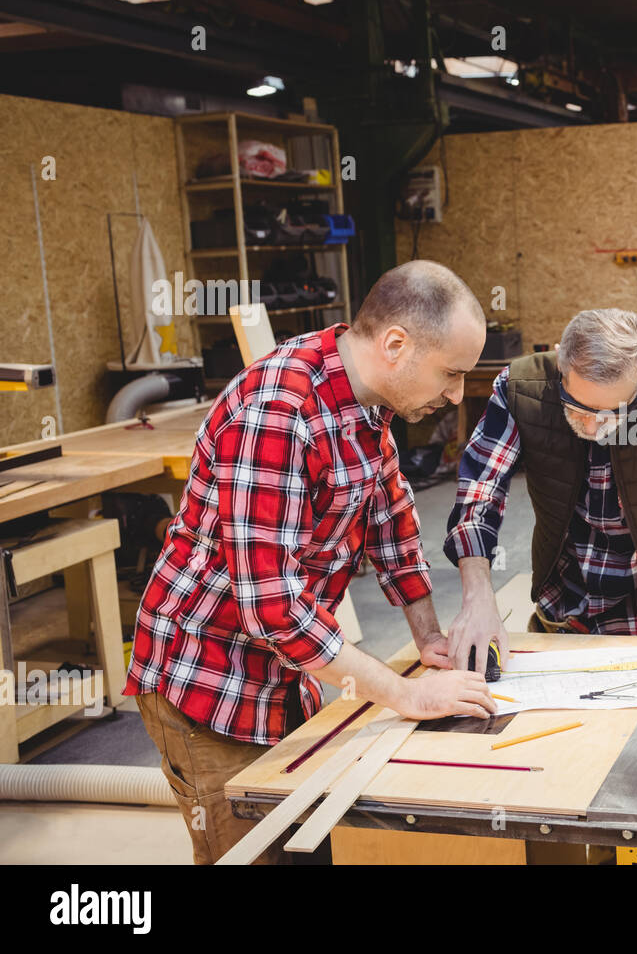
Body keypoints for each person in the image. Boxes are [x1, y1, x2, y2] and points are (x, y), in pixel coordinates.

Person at [125, 260, 497, 864]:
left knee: (309, 843)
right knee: (251, 854)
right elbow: (274, 609)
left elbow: (390, 517)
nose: (456, 394)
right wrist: (408, 697)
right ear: (396, 345)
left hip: (287, 674)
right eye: (451, 374)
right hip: (207, 679)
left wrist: (428, 638)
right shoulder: (276, 411)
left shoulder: (367, 396)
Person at [444, 307, 637, 680]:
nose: (595, 424)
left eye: (615, 410)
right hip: (565, 605)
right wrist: (478, 599)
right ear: (561, 368)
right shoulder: (521, 389)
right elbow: (479, 495)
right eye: (579, 406)